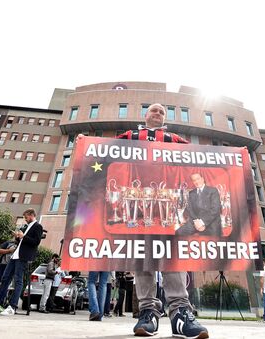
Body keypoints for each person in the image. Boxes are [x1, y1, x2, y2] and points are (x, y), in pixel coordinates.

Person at [81, 103, 208, 338]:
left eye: (162, 111)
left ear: (165, 118)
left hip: (170, 205)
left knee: (173, 257)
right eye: (153, 110)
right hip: (138, 204)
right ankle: (148, 311)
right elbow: (106, 150)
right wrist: (85, 143)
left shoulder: (175, 139)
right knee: (143, 257)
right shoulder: (131, 136)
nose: (157, 113)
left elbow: (200, 157)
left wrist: (236, 156)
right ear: (145, 116)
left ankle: (180, 312)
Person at [0, 208, 43, 316]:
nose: (25, 219)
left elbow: (36, 242)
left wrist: (24, 236)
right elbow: (22, 241)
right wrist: (18, 237)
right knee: (5, 279)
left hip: (23, 257)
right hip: (15, 256)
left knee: (18, 281)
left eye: (26, 217)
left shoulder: (38, 226)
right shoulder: (26, 227)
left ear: (31, 215)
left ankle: (12, 307)